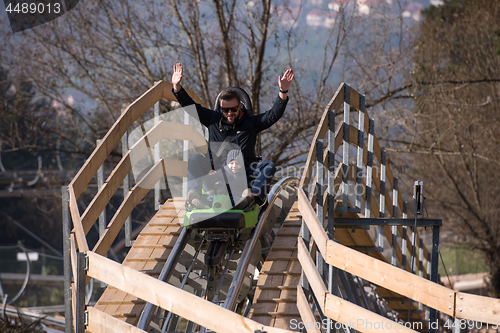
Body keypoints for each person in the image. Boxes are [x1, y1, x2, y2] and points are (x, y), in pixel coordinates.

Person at [171, 62, 294, 206]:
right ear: (220, 109)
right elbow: (190, 107)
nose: (229, 113)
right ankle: (194, 196)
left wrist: (283, 92)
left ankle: (252, 199)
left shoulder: (251, 123)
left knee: (268, 166)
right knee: (194, 159)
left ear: (240, 107)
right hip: (216, 173)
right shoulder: (212, 119)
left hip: (244, 173)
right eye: (225, 110)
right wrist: (177, 87)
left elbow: (273, 115)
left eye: (233, 109)